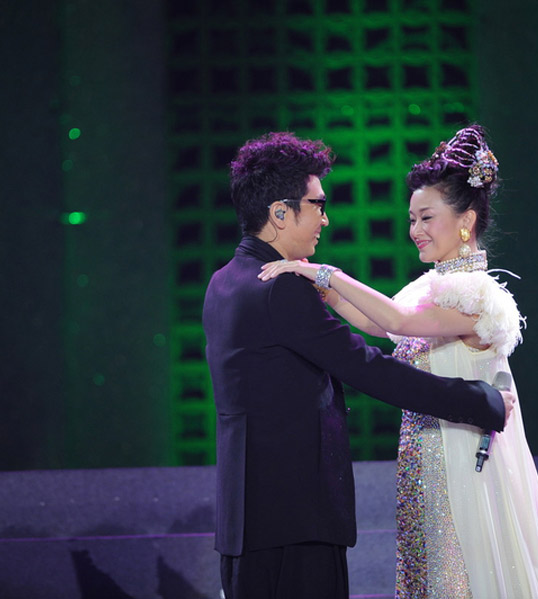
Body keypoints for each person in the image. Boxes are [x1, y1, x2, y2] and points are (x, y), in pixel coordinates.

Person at [259, 126, 538, 598]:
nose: (415, 231)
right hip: (423, 459)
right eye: (411, 219)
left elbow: (399, 321)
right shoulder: (429, 287)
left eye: (427, 217)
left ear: (466, 220)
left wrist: (325, 273)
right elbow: (379, 323)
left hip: (463, 463)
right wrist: (315, 287)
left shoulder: (478, 293)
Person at [203, 131, 516, 599]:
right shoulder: (279, 287)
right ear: (280, 213)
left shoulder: (223, 282)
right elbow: (368, 368)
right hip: (295, 522)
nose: (325, 219)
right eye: (318, 205)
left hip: (246, 523)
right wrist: (479, 401)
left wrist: (327, 285)